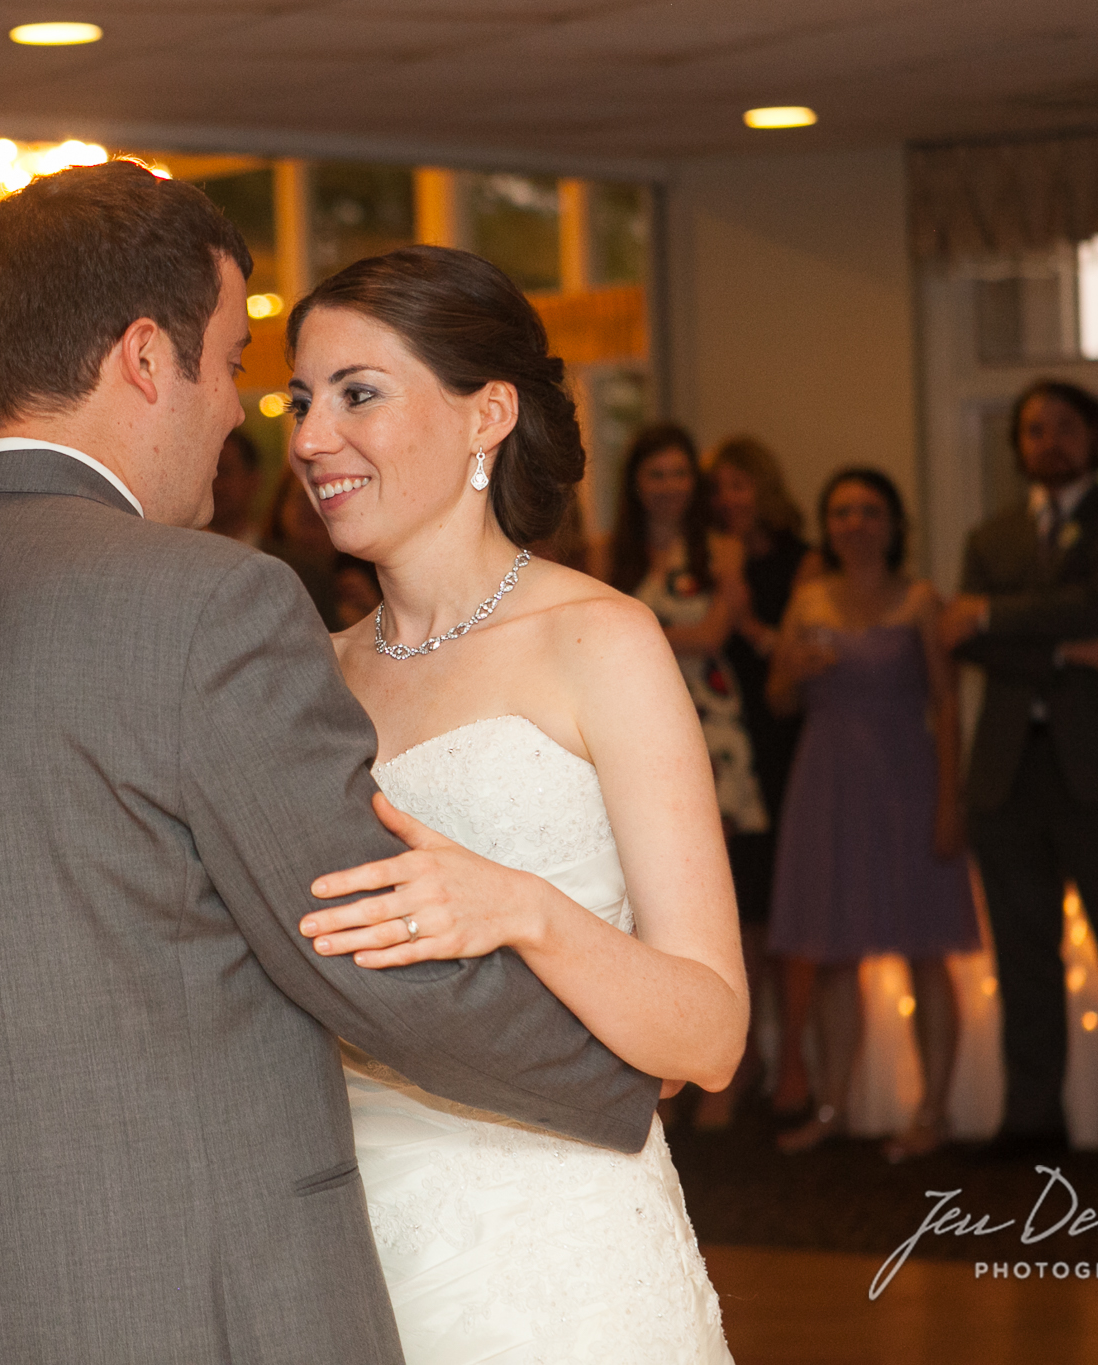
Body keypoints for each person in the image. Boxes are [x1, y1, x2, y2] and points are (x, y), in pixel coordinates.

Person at [0, 161, 660, 1364]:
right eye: (227, 362)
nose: (238, 414)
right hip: (212, 1313)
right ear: (140, 357)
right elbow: (356, 951)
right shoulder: (206, 603)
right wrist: (620, 1068)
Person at [286, 244, 743, 1363]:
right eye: (297, 400)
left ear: (486, 412)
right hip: (339, 1242)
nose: (306, 439)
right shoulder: (308, 674)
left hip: (553, 1251)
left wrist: (521, 909)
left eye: (357, 394)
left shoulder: (600, 642)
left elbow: (711, 1033)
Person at [938, 378, 1098, 1169]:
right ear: (1019, 446)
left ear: (1095, 436)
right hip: (1008, 778)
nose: (1049, 441)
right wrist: (1074, 647)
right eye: (1034, 429)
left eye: (1065, 426)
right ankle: (1032, 1119)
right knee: (1024, 957)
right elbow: (963, 641)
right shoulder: (991, 535)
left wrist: (998, 614)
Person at [764, 469, 975, 1159]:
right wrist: (792, 669)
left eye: (870, 510)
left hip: (907, 783)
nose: (856, 522)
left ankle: (934, 1112)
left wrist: (951, 798)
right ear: (828, 524)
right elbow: (778, 703)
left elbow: (945, 704)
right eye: (843, 511)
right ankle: (834, 1109)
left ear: (892, 523)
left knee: (925, 950)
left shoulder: (919, 600)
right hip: (827, 786)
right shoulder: (807, 599)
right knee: (831, 955)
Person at [704, 437, 819, 1126]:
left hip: (778, 743)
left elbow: (794, 649)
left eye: (740, 485)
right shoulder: (706, 556)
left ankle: (789, 1059)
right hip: (719, 745)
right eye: (720, 488)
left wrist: (740, 613)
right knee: (738, 909)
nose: (727, 500)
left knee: (783, 910)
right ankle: (741, 1058)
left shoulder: (796, 559)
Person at [607, 426, 769, 857]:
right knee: (644, 846)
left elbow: (711, 636)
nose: (669, 486)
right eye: (656, 475)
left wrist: (629, 635)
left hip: (708, 706)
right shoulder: (609, 551)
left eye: (679, 474)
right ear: (635, 483)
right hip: (633, 707)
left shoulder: (722, 548)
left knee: (712, 849)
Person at [261, 471, 343, 628]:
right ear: (282, 505)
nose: (314, 507)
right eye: (304, 496)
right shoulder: (260, 570)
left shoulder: (369, 579)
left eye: (328, 495)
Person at [208, 428, 266, 544]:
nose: (215, 485)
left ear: (252, 481)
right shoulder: (180, 553)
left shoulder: (274, 557)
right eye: (206, 475)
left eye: (223, 472)